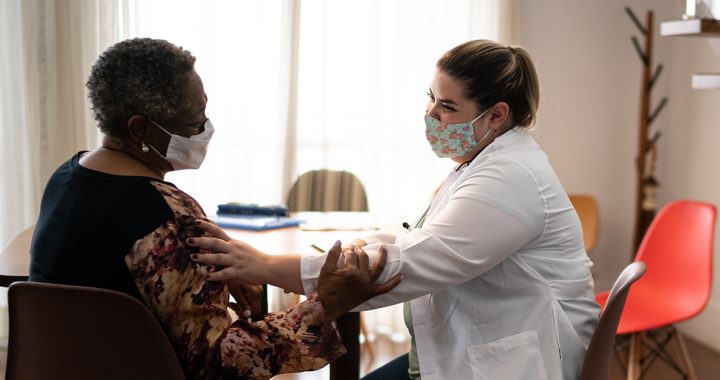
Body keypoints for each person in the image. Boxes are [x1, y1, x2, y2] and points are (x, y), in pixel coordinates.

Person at [189, 39, 601, 380]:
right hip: (474, 348)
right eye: (431, 99)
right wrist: (351, 248)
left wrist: (264, 265)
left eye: (448, 107)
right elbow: (418, 239)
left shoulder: (509, 178)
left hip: (523, 360)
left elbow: (413, 262)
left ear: (496, 115)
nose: (431, 115)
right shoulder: (481, 164)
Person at [29, 38, 401, 380]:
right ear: (140, 129)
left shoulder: (67, 177)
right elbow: (217, 365)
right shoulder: (168, 220)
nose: (205, 129)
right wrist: (326, 305)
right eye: (194, 121)